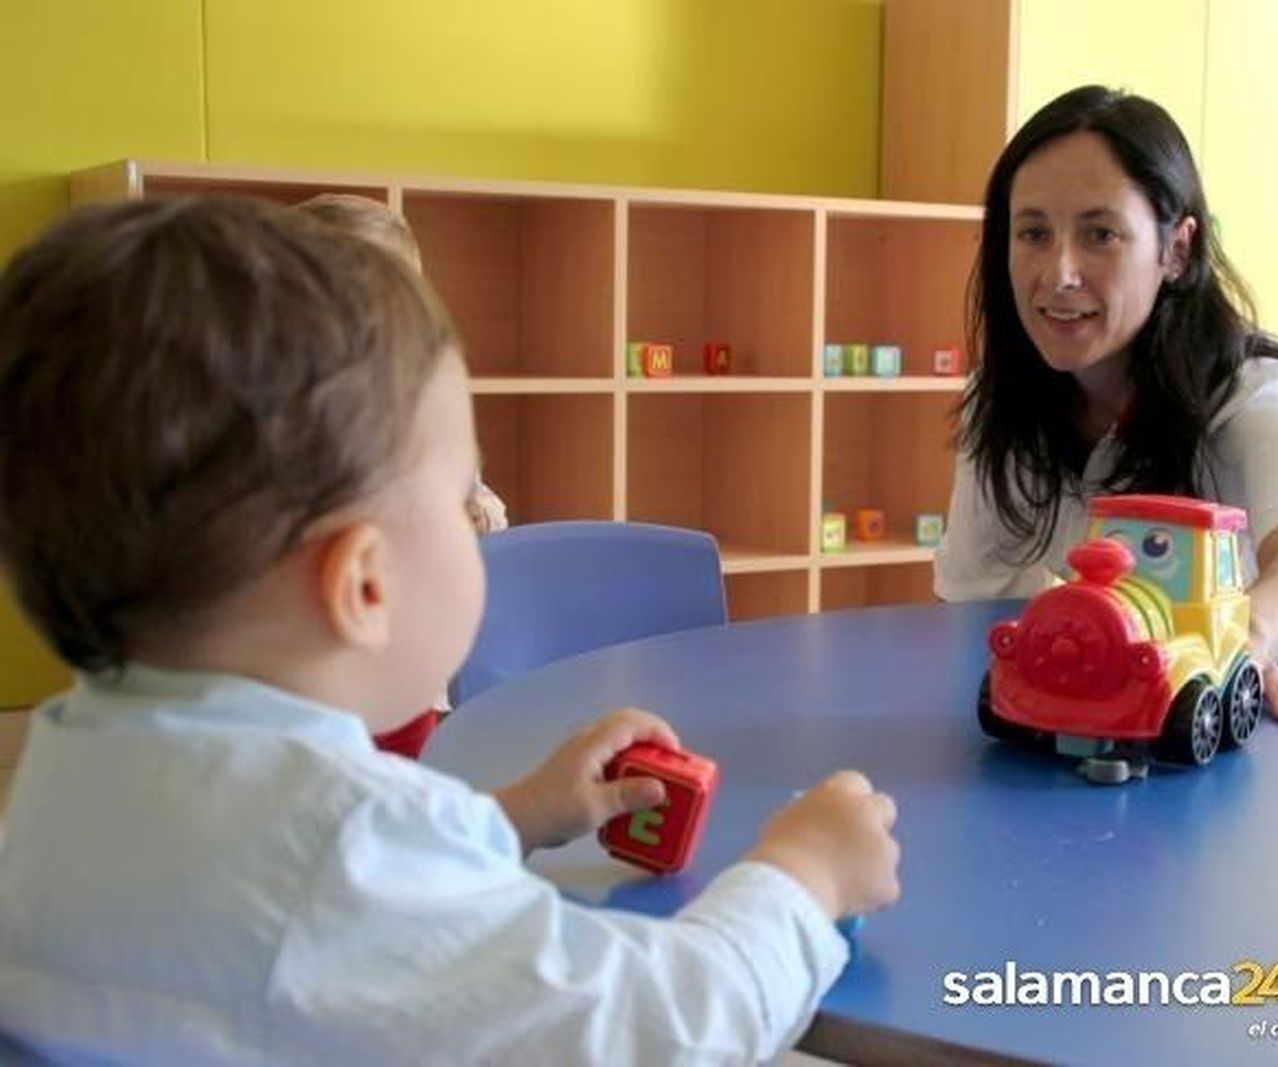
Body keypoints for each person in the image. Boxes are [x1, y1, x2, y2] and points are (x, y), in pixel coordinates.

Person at [0, 196, 900, 1063]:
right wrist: (802, 878)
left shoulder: (76, 760)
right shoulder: (340, 846)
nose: (478, 520)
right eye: (459, 493)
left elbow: (323, 915)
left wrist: (515, 813)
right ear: (363, 583)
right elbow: (652, 1028)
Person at [933, 85, 1278, 721]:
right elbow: (975, 601)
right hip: (1078, 720)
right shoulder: (997, 405)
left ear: (1176, 250)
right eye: (1033, 232)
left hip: (1253, 728)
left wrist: (1239, 648)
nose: (1059, 272)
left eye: (1100, 234)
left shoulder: (1258, 398)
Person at [295, 192, 504, 759]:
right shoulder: (286, 408)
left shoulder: (425, 400)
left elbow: (478, 499)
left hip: (406, 662)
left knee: (408, 782)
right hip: (319, 672)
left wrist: (474, 511)